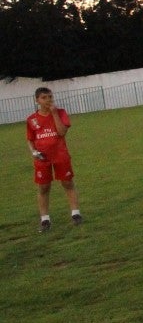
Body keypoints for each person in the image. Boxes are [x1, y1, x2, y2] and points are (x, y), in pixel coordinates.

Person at [27, 87, 82, 231]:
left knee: (67, 183)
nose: (48, 100)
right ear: (37, 100)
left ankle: (75, 213)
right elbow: (30, 139)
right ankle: (45, 219)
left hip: (60, 155)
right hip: (42, 159)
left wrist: (54, 113)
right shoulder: (31, 120)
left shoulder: (61, 113)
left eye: (50, 97)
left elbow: (62, 132)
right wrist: (33, 152)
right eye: (44, 97)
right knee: (43, 187)